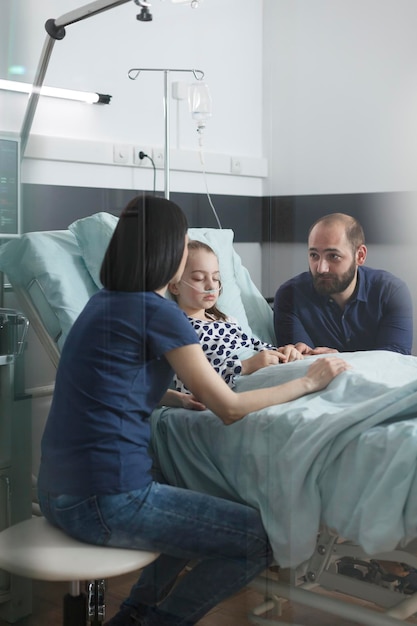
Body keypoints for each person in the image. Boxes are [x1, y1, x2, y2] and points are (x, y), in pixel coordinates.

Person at [37, 195, 350, 626]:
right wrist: (309, 381)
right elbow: (230, 408)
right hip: (105, 499)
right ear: (169, 253)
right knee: (257, 539)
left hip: (56, 492)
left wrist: (172, 398)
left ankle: (133, 617)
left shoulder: (102, 303)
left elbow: (102, 385)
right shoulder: (160, 314)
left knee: (185, 508)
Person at [169, 239, 303, 392]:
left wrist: (284, 352)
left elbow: (253, 344)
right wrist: (245, 366)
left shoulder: (226, 321)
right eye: (199, 278)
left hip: (265, 368)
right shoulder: (178, 330)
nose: (211, 285)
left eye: (216, 278)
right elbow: (189, 385)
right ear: (174, 286)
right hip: (238, 383)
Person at [274, 212, 413, 355]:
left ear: (360, 255)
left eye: (334, 256)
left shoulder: (391, 292)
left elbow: (395, 361)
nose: (321, 268)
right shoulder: (290, 296)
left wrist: (342, 360)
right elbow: (298, 363)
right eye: (314, 255)